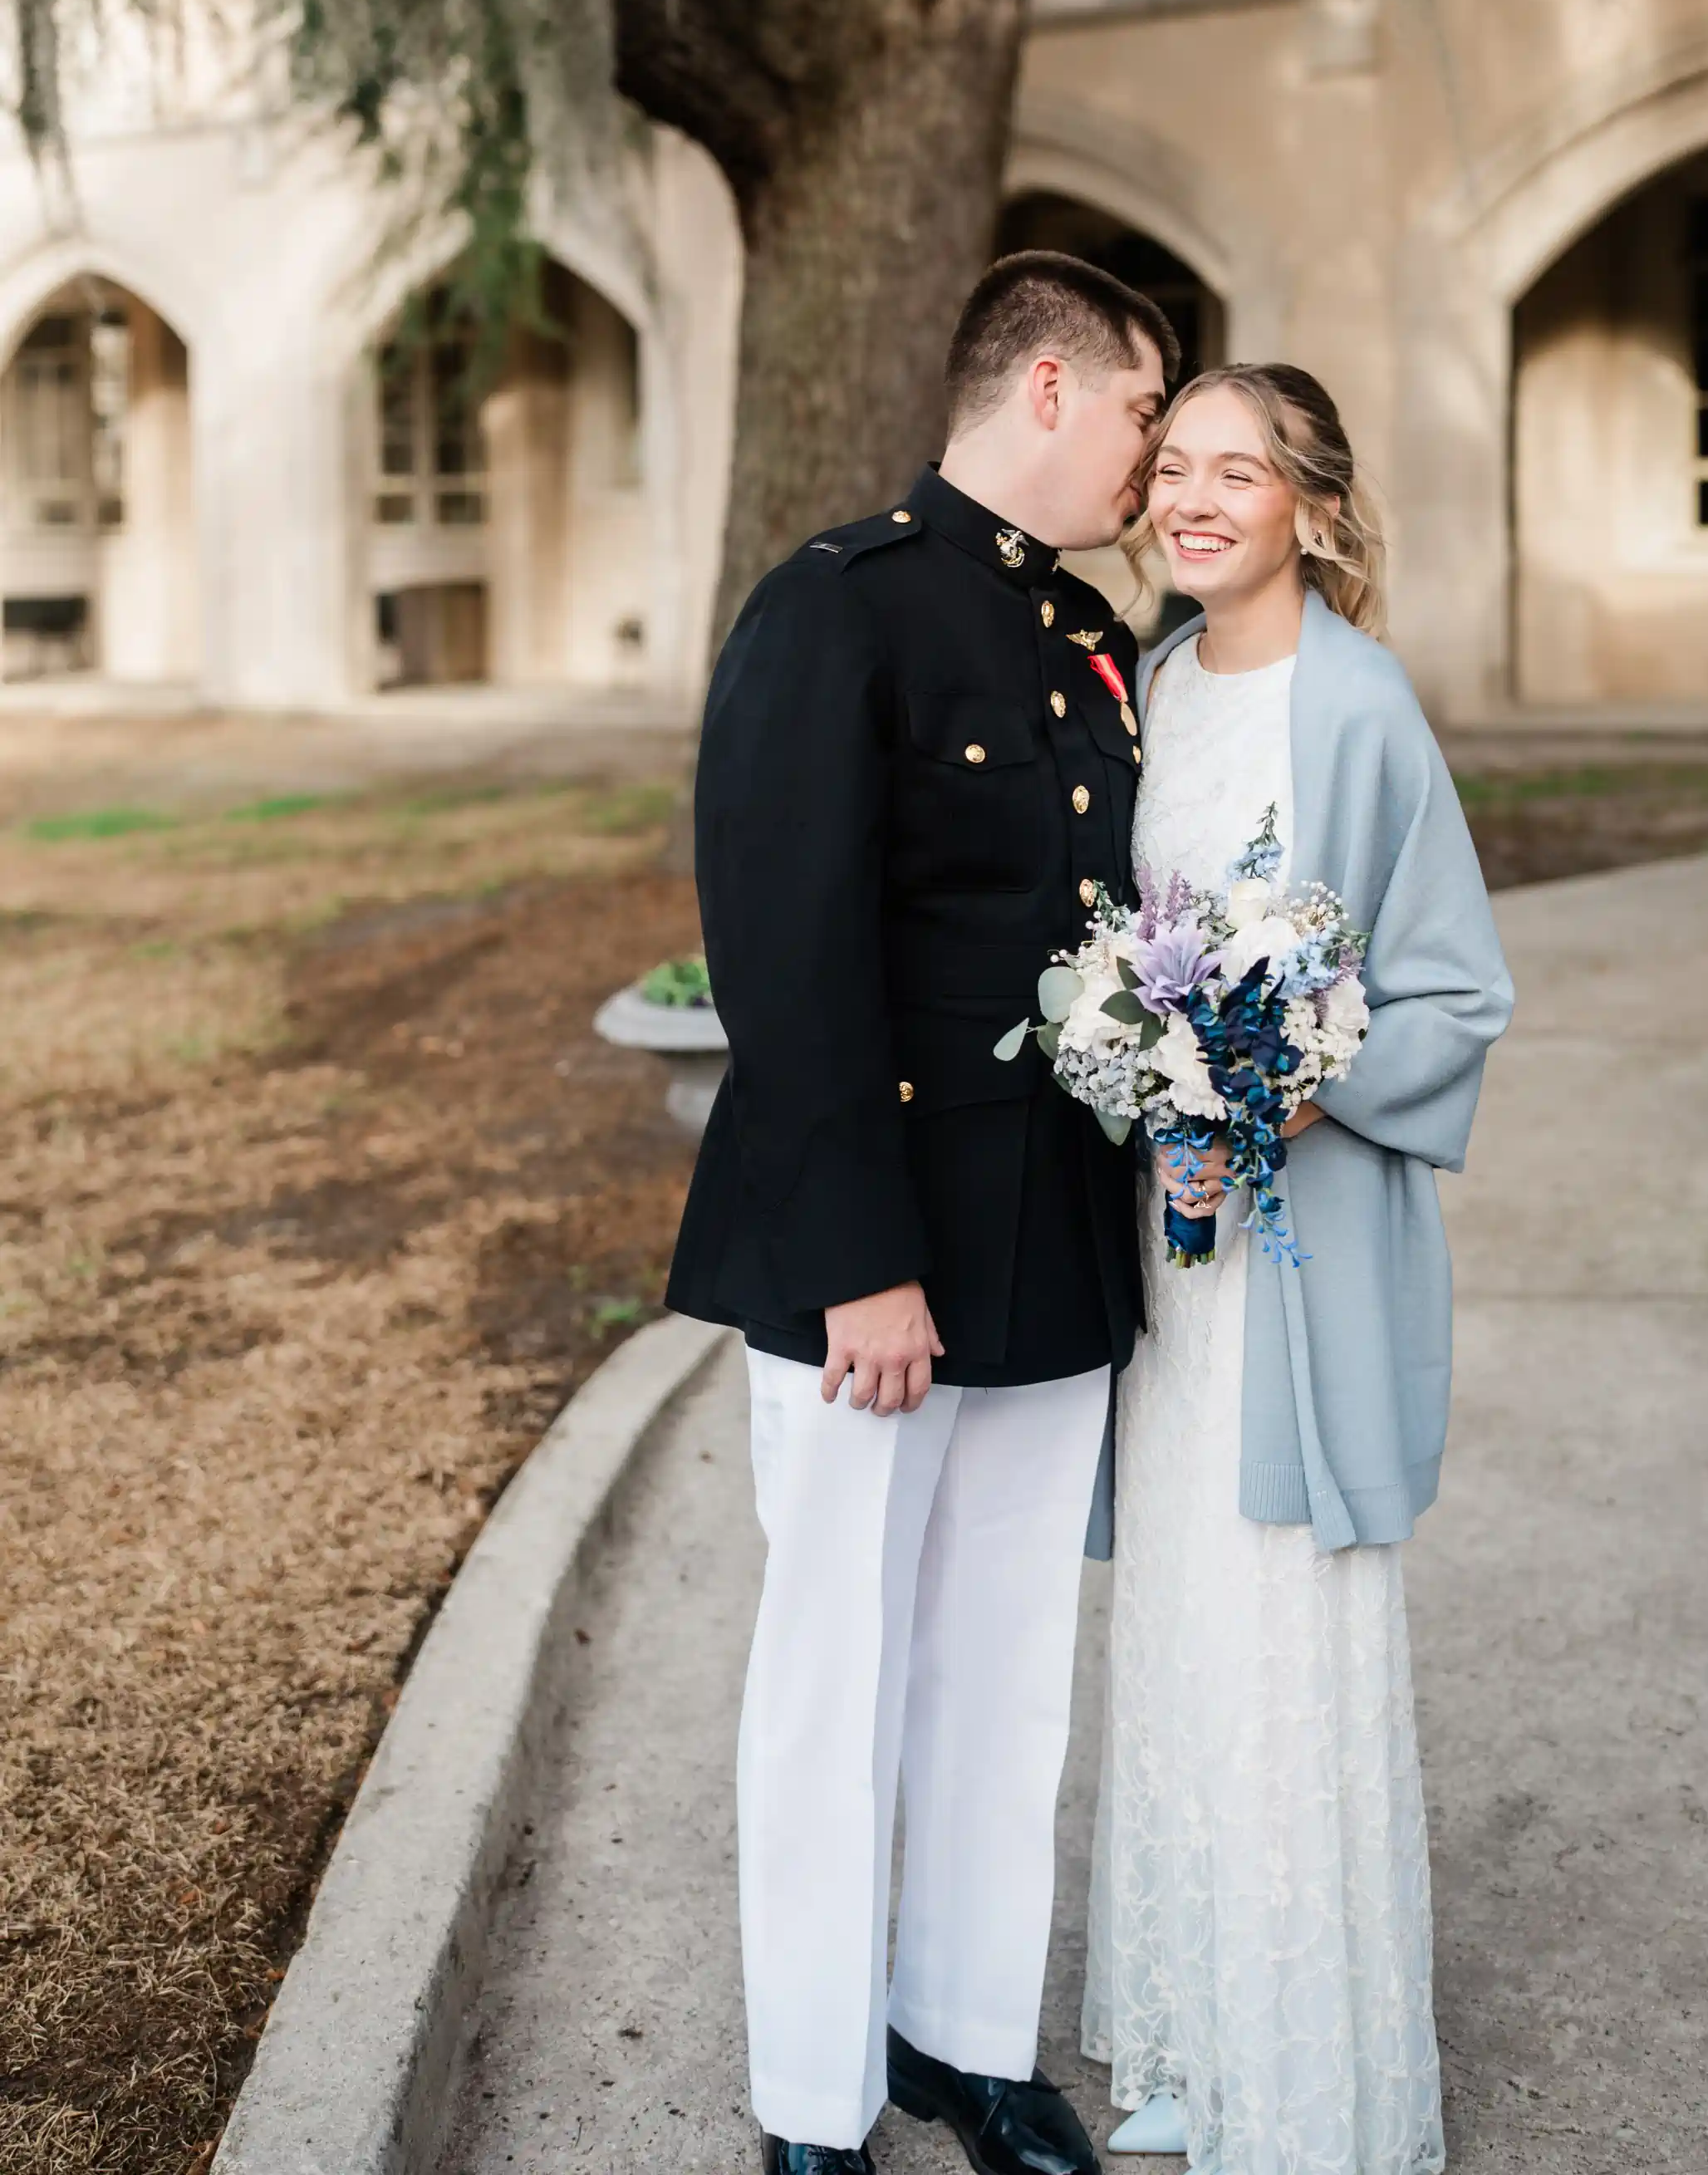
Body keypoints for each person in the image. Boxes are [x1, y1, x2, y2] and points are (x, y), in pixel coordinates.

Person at [666, 251, 1178, 2175]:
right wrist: (860, 1265)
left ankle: (962, 2039)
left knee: (1002, 1664)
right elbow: (784, 959)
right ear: (1046, 385)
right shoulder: (837, 607)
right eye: (1141, 409)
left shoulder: (1086, 637)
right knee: (835, 1675)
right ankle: (814, 2098)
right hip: (869, 1260)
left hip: (1048, 1242)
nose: (1152, 454)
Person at [1082, 364, 1514, 2175]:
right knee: (1185, 1609)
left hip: (1297, 1244)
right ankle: (1196, 2027)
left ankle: (1307, 2073)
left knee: (1279, 1614)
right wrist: (1146, 1071)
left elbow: (1455, 989)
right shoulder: (1156, 684)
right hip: (1169, 1253)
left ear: (1310, 510)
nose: (1192, 500)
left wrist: (1283, 1087)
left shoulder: (1357, 708)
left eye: (1235, 472)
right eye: (1171, 465)